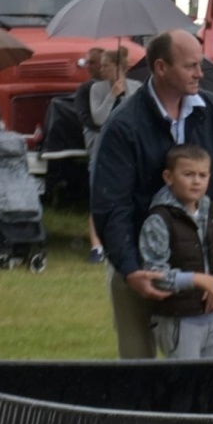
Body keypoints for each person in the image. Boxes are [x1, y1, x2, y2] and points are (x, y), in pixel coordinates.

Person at [91, 29, 213, 359]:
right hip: (139, 261)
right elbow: (110, 204)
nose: (200, 74)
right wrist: (131, 268)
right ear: (161, 68)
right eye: (190, 66)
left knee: (209, 374)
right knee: (138, 368)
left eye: (200, 64)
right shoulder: (124, 125)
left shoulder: (211, 111)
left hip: (199, 262)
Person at [138, 143, 213, 359]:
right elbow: (155, 275)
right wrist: (197, 280)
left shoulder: (211, 212)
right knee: (187, 385)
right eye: (188, 174)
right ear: (169, 177)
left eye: (203, 175)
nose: (196, 181)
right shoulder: (159, 220)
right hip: (178, 320)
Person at [85, 46, 132, 264]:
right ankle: (96, 246)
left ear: (120, 67)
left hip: (126, 150)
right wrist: (112, 95)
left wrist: (125, 95)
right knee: (98, 195)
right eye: (100, 65)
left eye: (106, 65)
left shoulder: (137, 88)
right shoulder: (96, 89)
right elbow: (99, 118)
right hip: (102, 149)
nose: (101, 70)